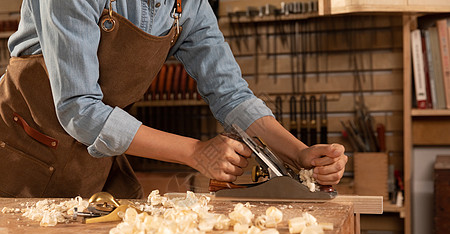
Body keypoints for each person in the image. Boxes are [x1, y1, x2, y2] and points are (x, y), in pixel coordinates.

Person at [0, 0, 347, 199]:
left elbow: (231, 95)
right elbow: (80, 110)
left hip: (91, 163)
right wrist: (197, 153)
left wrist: (298, 154)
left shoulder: (187, 5)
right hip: (19, 160)